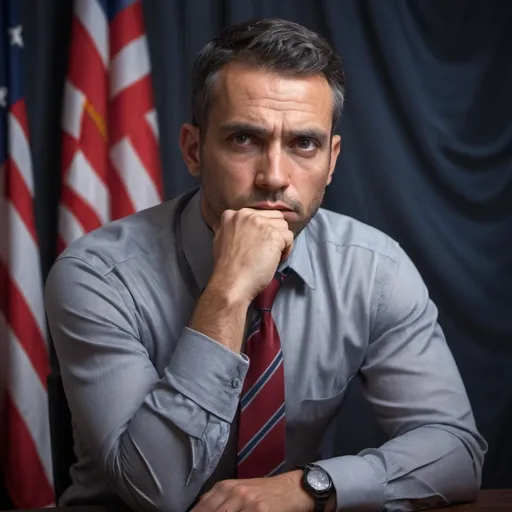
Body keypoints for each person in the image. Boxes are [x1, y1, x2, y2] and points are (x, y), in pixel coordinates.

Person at [45, 17, 487, 512]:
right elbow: (157, 492)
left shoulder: (373, 270)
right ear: (194, 149)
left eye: (304, 144)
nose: (274, 177)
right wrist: (228, 291)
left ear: (332, 159)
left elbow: (456, 451)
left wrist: (313, 486)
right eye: (244, 140)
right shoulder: (98, 275)